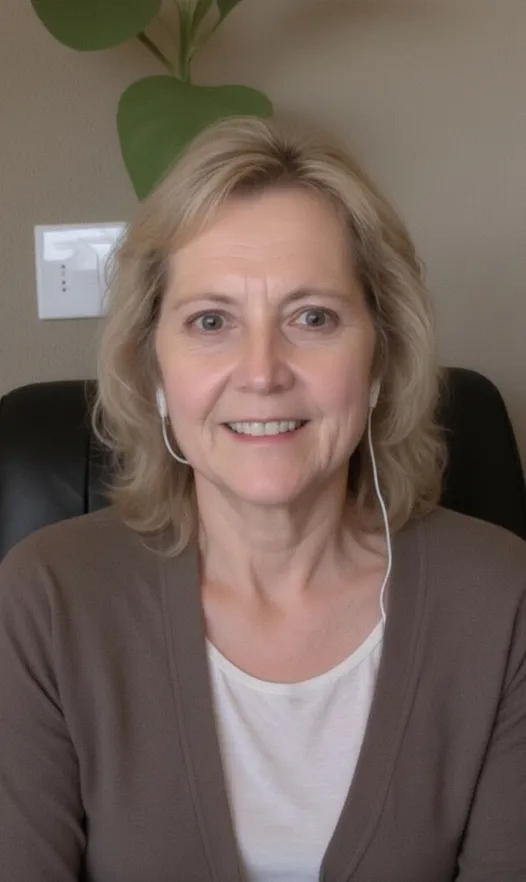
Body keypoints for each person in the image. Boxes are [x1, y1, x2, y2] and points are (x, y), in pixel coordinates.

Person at [1, 115, 525, 882]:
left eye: (312, 318)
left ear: (381, 355)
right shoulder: (46, 598)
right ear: (156, 371)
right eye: (211, 321)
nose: (262, 371)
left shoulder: (503, 598)